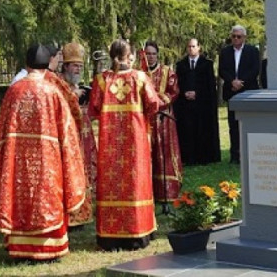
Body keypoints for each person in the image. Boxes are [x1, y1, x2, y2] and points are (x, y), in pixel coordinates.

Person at [0, 45, 85, 260]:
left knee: (19, 197)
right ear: (47, 65)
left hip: (17, 159)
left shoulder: (14, 91)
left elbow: (1, 130)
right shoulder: (52, 91)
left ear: (27, 65)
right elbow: (68, 131)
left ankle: (20, 246)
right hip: (47, 160)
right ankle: (49, 247)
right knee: (47, 197)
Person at [90, 39, 161, 251]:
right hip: (135, 140)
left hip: (109, 142)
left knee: (112, 182)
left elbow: (93, 108)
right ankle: (138, 231)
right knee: (136, 180)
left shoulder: (102, 80)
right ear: (129, 55)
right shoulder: (139, 77)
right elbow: (154, 104)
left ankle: (110, 236)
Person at [59, 42, 98, 228]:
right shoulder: (59, 84)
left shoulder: (77, 85)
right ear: (66, 66)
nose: (78, 69)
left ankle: (84, 211)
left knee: (86, 171)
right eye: (75, 66)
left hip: (85, 135)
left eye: (80, 66)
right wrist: (73, 95)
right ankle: (71, 214)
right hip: (69, 136)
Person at [142, 40, 182, 202]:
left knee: (163, 152)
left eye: (153, 54)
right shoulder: (139, 73)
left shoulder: (167, 72)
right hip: (144, 118)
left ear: (157, 55)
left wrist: (158, 102)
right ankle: (146, 191)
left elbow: (174, 92)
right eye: (148, 54)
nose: (151, 57)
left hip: (163, 117)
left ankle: (166, 190)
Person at [218, 25, 261, 164]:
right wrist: (232, 81)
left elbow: (255, 70)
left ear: (244, 37)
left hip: (248, 92)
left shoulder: (253, 51)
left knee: (249, 123)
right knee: (233, 124)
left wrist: (241, 82)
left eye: (239, 36)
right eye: (233, 36)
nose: (236, 39)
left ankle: (249, 153)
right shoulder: (225, 52)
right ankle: (235, 155)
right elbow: (222, 70)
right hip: (231, 91)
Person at [174, 38, 220, 165]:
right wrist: (184, 93)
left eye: (193, 46)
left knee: (202, 130)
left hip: (202, 104)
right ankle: (188, 158)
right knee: (187, 130)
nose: (191, 49)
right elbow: (177, 84)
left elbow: (210, 86)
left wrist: (197, 93)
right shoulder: (181, 65)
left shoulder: (207, 64)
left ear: (199, 47)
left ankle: (204, 157)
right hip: (186, 105)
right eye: (189, 46)